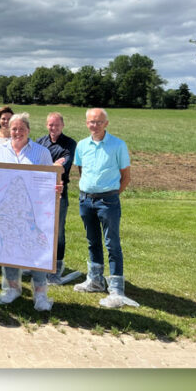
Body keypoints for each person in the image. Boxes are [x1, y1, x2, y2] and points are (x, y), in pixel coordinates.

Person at [0, 113, 61, 311]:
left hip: (34, 210)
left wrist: (56, 188)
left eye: (21, 129)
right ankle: (12, 289)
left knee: (36, 247)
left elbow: (49, 180)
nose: (17, 132)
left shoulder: (41, 152)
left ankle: (40, 294)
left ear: (28, 130)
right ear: (8, 130)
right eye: (13, 129)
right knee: (9, 244)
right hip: (9, 208)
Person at [73, 108, 138, 308]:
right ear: (86, 123)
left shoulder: (118, 145)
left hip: (108, 201)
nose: (95, 125)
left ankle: (116, 290)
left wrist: (111, 195)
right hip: (86, 200)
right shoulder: (82, 145)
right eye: (91, 122)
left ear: (106, 123)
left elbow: (125, 177)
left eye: (99, 122)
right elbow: (82, 170)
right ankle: (95, 280)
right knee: (92, 241)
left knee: (112, 243)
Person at [35, 112, 80, 285]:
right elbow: (34, 164)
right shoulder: (40, 142)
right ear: (46, 125)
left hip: (58, 191)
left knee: (57, 231)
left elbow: (63, 167)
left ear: (63, 125)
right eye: (50, 125)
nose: (53, 128)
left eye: (56, 125)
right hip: (39, 190)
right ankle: (39, 265)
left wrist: (49, 166)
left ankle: (55, 269)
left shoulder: (70, 144)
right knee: (39, 228)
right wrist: (52, 165)